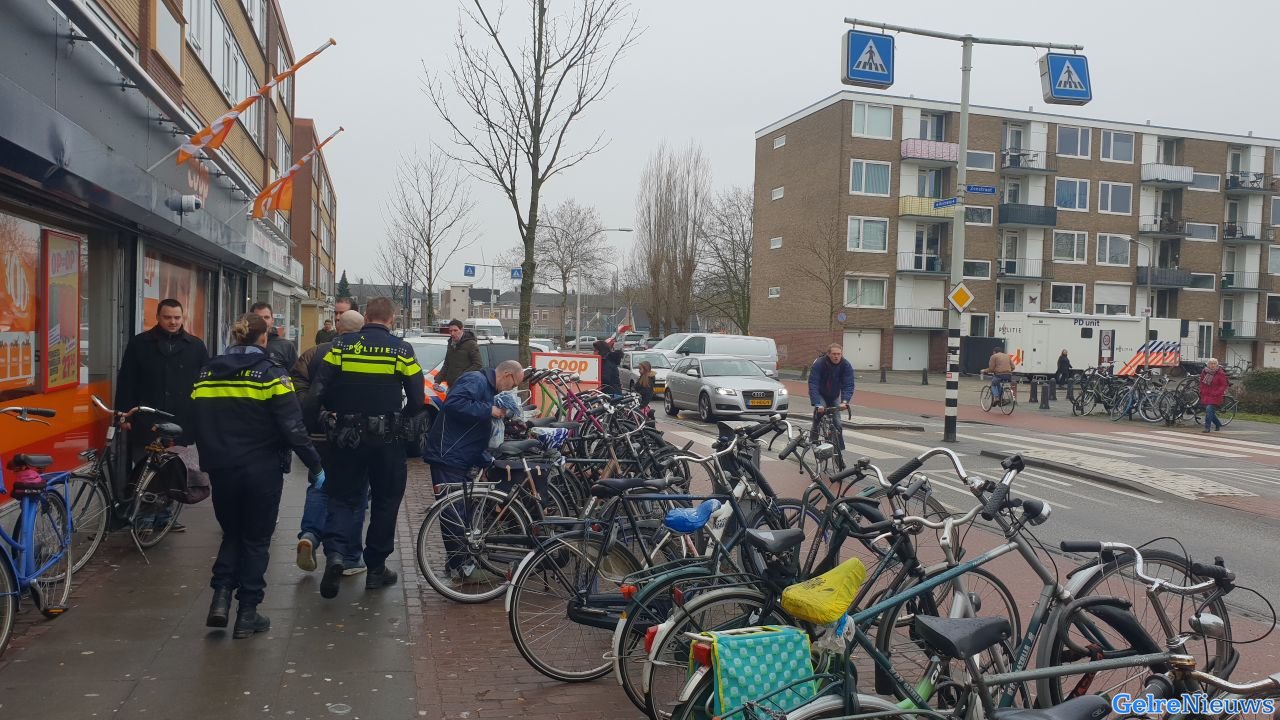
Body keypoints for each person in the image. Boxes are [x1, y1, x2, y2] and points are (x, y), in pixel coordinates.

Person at [191, 313, 324, 639]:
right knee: (256, 539)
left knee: (232, 534)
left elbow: (196, 418)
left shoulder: (207, 373)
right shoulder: (270, 375)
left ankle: (220, 600)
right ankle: (248, 613)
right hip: (260, 470)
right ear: (263, 339)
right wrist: (316, 466)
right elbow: (292, 427)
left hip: (222, 469)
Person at [310, 297, 426, 599]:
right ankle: (376, 568)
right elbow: (416, 397)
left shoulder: (341, 347)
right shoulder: (401, 350)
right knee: (386, 501)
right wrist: (405, 419)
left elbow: (319, 388)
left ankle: (336, 554)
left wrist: (321, 418)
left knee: (343, 497)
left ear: (366, 317)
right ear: (392, 319)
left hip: (346, 438)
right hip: (386, 441)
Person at [422, 359, 524, 583]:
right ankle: (462, 568)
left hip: (460, 455)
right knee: (454, 513)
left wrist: (484, 458)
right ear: (506, 374)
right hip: (448, 455)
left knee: (462, 511)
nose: (512, 388)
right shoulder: (475, 380)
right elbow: (454, 404)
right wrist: (490, 410)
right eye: (514, 383)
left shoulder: (485, 387)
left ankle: (458, 563)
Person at [116, 298, 208, 530]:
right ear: (157, 317)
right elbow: (127, 381)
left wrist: (203, 416)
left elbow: (205, 385)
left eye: (177, 317)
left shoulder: (195, 346)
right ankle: (144, 517)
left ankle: (165, 516)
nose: (173, 322)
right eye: (168, 317)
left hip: (181, 419)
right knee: (146, 469)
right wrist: (123, 415)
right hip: (147, 418)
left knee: (174, 470)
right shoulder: (140, 344)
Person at [291, 310, 367, 576]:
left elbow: (299, 392)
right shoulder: (364, 354)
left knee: (320, 484)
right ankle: (349, 556)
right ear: (362, 329)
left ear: (337, 327)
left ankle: (310, 535)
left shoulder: (313, 353)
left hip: (318, 435)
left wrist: (319, 416)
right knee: (355, 495)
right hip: (352, 434)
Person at [807, 345, 854, 445]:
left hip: (834, 395)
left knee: (837, 422)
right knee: (820, 412)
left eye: (838, 354)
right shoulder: (819, 363)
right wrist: (817, 403)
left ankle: (839, 450)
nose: (836, 356)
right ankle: (814, 437)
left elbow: (848, 384)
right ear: (828, 354)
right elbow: (813, 383)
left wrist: (845, 401)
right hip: (820, 393)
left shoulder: (845, 365)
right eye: (834, 354)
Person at [250, 302, 298, 369]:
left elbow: (295, 375)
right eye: (259, 318)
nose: (263, 321)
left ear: (272, 320)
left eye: (266, 317)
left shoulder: (286, 346)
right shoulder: (242, 344)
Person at [439, 319, 481, 388]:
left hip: (465, 385)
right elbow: (447, 364)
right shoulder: (451, 344)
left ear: (462, 330)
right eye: (450, 331)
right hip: (452, 385)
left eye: (455, 330)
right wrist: (438, 381)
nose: (452, 333)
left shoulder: (471, 344)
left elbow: (478, 364)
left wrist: (462, 376)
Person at [1199, 358, 1229, 433]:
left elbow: (1223, 385)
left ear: (1217, 365)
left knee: (1209, 410)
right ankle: (1218, 424)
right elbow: (1202, 382)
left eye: (1214, 364)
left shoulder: (1220, 373)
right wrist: (1201, 390)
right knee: (1210, 412)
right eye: (1210, 363)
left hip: (1215, 396)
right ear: (1208, 364)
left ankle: (1207, 427)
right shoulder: (1204, 372)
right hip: (1206, 395)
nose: (1212, 365)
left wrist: (1217, 392)